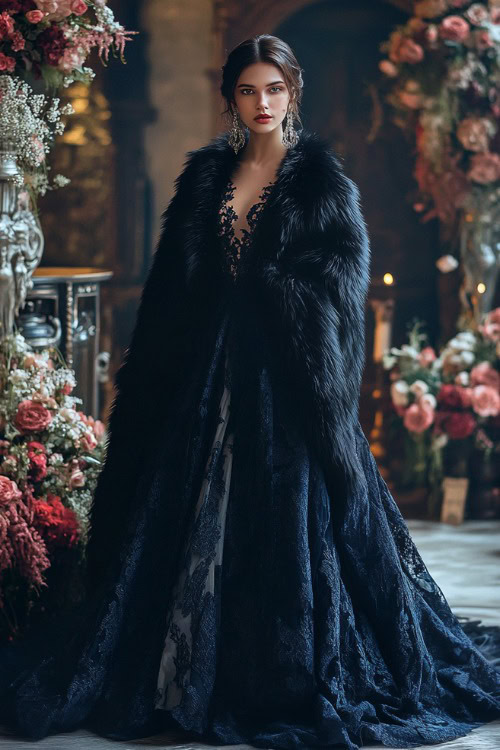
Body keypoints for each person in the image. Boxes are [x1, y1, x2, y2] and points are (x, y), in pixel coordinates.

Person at [1, 33, 500, 750]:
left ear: (292, 93)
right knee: (179, 523)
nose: (261, 103)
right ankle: (185, 667)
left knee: (291, 531)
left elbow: (340, 290)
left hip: (289, 386)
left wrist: (279, 296)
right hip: (202, 378)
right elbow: (174, 288)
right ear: (230, 97)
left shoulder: (322, 184)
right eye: (247, 90)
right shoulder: (206, 177)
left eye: (274, 89)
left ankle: (277, 672)